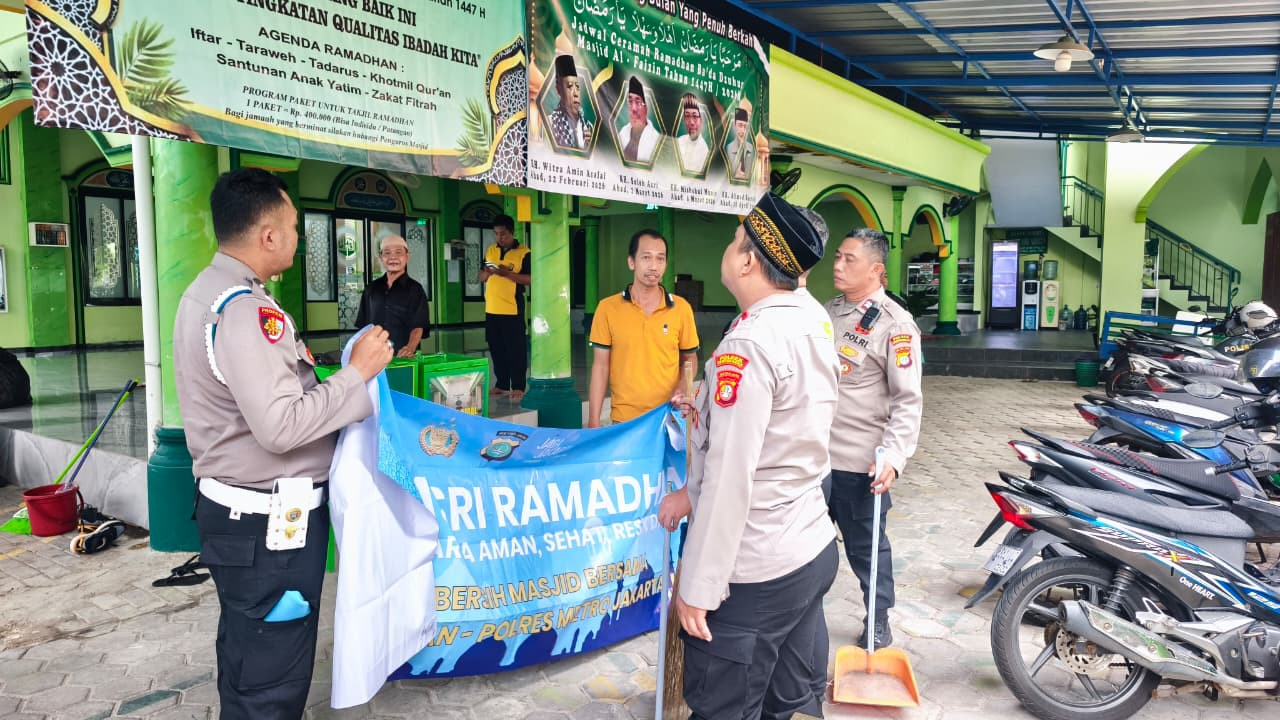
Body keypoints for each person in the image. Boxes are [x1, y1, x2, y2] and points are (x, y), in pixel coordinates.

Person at [172, 168, 393, 719]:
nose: (298, 236)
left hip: (248, 522)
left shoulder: (211, 293)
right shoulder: (242, 310)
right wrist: (356, 375)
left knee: (253, 651)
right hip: (269, 530)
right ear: (268, 235)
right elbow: (279, 426)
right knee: (272, 671)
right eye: (294, 226)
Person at [672, 192, 839, 720]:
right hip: (808, 544)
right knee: (781, 702)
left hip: (756, 570)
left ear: (747, 260)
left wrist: (697, 586)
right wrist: (688, 491)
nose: (728, 249)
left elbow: (731, 477)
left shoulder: (751, 342)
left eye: (733, 240)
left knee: (725, 706)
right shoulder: (811, 316)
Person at [824, 228, 924, 649]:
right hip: (813, 459)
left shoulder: (895, 325)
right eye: (838, 257)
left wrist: (894, 457)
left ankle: (878, 618)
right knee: (804, 549)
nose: (837, 264)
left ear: (877, 270)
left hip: (858, 463)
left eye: (849, 259)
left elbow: (907, 400)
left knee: (867, 550)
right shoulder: (826, 312)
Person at [587, 229, 699, 429]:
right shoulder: (607, 308)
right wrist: (593, 420)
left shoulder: (681, 308)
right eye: (646, 258)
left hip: (669, 417)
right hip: (624, 420)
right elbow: (600, 367)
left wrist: (682, 388)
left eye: (660, 259)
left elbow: (690, 359)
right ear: (631, 262)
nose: (654, 266)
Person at [479, 214, 531, 400]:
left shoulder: (524, 253)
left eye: (503, 234)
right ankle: (501, 384)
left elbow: (530, 279)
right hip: (492, 309)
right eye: (496, 234)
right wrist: (486, 274)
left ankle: (518, 386)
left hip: (512, 309)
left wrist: (505, 274)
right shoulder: (491, 250)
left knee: (515, 349)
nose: (499, 238)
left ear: (511, 232)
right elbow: (480, 275)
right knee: (496, 348)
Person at [355, 235, 429, 358]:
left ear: (407, 257)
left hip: (403, 357)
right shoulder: (371, 289)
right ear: (381, 258)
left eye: (398, 253)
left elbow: (418, 326)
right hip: (373, 357)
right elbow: (363, 327)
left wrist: (410, 348)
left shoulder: (415, 289)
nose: (392, 257)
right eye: (387, 253)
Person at [548, 54, 592, 150]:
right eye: (569, 86)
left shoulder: (589, 127)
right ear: (558, 90)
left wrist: (589, 147)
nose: (575, 93)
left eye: (577, 87)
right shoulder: (550, 123)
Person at [618, 76, 660, 164]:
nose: (633, 109)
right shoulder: (622, 133)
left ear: (646, 109)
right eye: (630, 101)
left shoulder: (656, 141)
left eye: (638, 102)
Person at [675, 94, 709, 174]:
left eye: (695, 116)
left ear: (701, 120)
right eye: (687, 116)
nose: (691, 122)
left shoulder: (704, 150)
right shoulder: (679, 141)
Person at [726, 106, 754, 181]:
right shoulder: (728, 148)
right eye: (740, 125)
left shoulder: (751, 148)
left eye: (745, 126)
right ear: (735, 126)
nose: (743, 130)